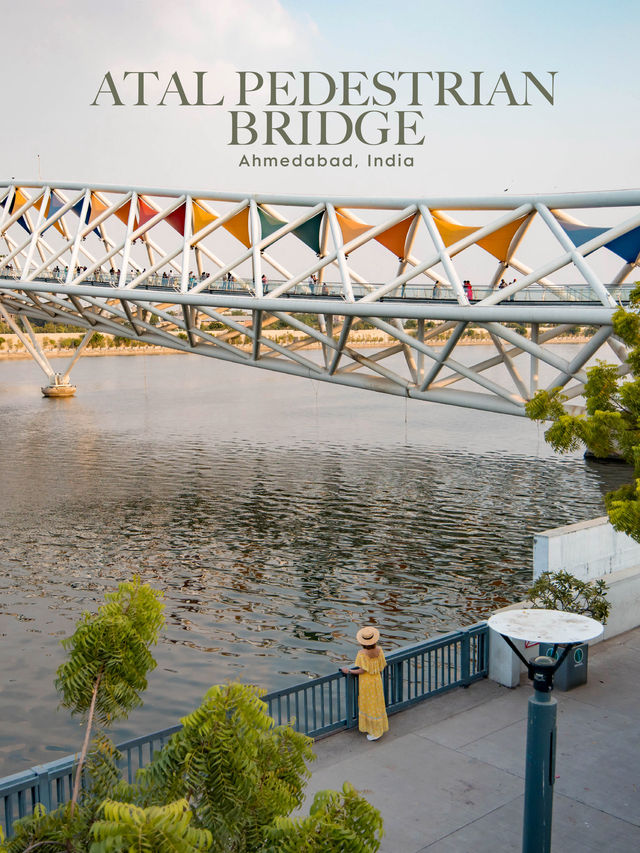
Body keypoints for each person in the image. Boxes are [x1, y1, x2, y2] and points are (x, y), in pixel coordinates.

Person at [341, 626, 389, 741]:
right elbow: (382, 666)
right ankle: (378, 727)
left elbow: (362, 670)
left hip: (366, 682)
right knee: (377, 703)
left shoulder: (362, 654)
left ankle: (373, 730)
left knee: (368, 704)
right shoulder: (379, 650)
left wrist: (349, 671)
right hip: (376, 680)